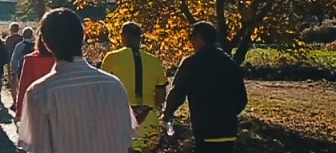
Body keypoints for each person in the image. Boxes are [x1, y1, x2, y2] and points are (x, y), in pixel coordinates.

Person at [17, 9, 136, 153]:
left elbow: (40, 149)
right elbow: (126, 141)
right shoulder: (114, 85)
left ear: (46, 43)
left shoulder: (39, 93)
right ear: (83, 37)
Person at [163, 22, 248, 153]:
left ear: (199, 37)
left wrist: (167, 114)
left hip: (205, 128)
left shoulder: (192, 62)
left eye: (192, 36)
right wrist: (228, 113)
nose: (190, 40)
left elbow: (177, 93)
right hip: (228, 130)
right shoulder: (229, 62)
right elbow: (242, 98)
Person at [101, 22, 169, 153]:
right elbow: (161, 94)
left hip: (122, 117)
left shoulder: (112, 58)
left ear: (123, 36)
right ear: (140, 37)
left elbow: (104, 90)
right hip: (149, 116)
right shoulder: (154, 60)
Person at [14, 27, 54, 122]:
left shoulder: (30, 60)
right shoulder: (60, 60)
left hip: (36, 106)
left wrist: (19, 111)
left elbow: (24, 87)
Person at [4, 22, 24, 110]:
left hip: (11, 61)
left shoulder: (9, 39)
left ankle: (15, 102)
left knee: (13, 82)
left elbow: (6, 50)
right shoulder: (21, 38)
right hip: (22, 61)